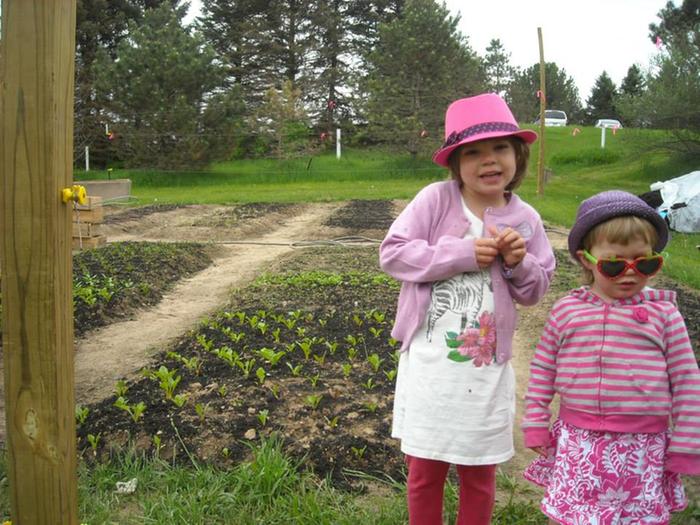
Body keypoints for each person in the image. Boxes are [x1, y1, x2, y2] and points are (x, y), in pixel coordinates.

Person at [380, 93, 556, 525]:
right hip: (430, 365)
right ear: (455, 164)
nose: (488, 160)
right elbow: (393, 255)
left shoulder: (526, 219)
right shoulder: (435, 201)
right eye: (472, 152)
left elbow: (536, 289)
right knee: (424, 470)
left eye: (500, 148)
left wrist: (519, 263)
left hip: (485, 371)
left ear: (518, 155)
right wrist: (460, 254)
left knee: (479, 471)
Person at [522, 190, 700, 525]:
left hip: (642, 448)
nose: (630, 273)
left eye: (644, 262)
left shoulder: (664, 315)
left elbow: (688, 381)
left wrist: (687, 443)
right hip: (579, 441)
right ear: (586, 259)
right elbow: (543, 370)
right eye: (614, 264)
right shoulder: (567, 311)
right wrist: (534, 421)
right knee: (569, 516)